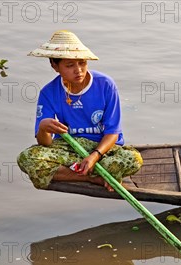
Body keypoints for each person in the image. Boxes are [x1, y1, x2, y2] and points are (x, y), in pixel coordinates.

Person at [18, 30, 142, 191]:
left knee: (133, 159)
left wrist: (94, 157)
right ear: (55, 66)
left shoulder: (105, 85)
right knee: (27, 158)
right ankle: (96, 178)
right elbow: (45, 143)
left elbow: (113, 133)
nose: (79, 70)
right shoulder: (48, 93)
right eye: (70, 65)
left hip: (103, 148)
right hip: (69, 146)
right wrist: (43, 127)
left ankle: (87, 170)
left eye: (82, 63)